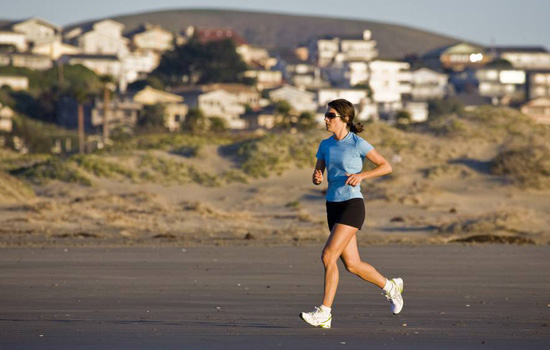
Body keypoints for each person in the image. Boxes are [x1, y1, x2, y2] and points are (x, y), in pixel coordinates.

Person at [300, 99, 403, 329]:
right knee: (353, 265)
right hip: (333, 205)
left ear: (345, 119)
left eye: (330, 115)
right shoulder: (325, 145)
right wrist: (317, 176)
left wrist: (362, 176)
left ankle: (325, 313)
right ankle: (390, 287)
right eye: (326, 115)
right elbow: (318, 171)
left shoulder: (358, 143)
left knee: (328, 256)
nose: (326, 119)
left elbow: (386, 166)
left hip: (353, 205)